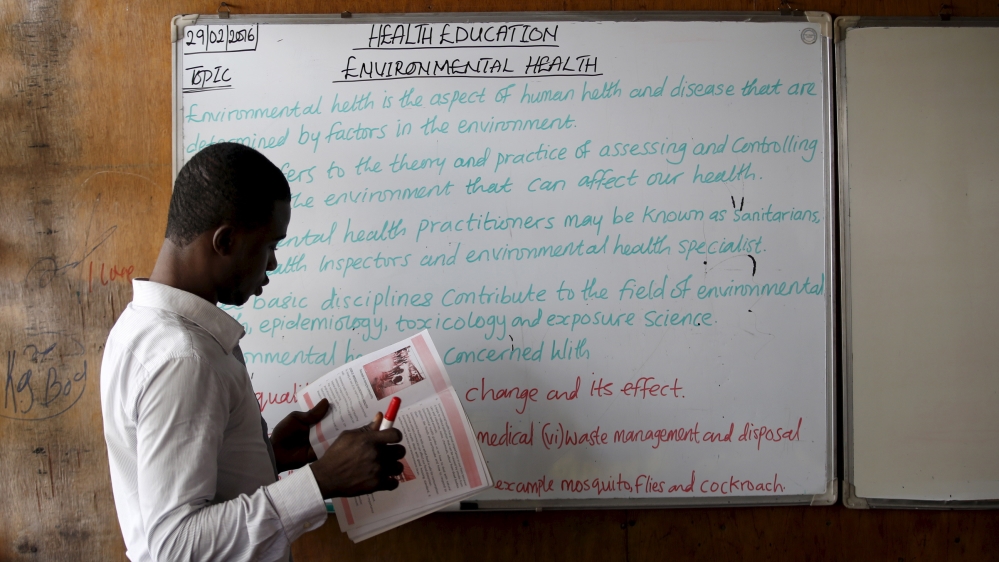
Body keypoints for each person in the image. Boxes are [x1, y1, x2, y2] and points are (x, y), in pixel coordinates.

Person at [100, 142, 406, 562]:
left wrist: (268, 458)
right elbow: (175, 546)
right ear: (224, 241)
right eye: (269, 245)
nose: (274, 263)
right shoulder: (184, 358)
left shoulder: (141, 326)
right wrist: (319, 482)